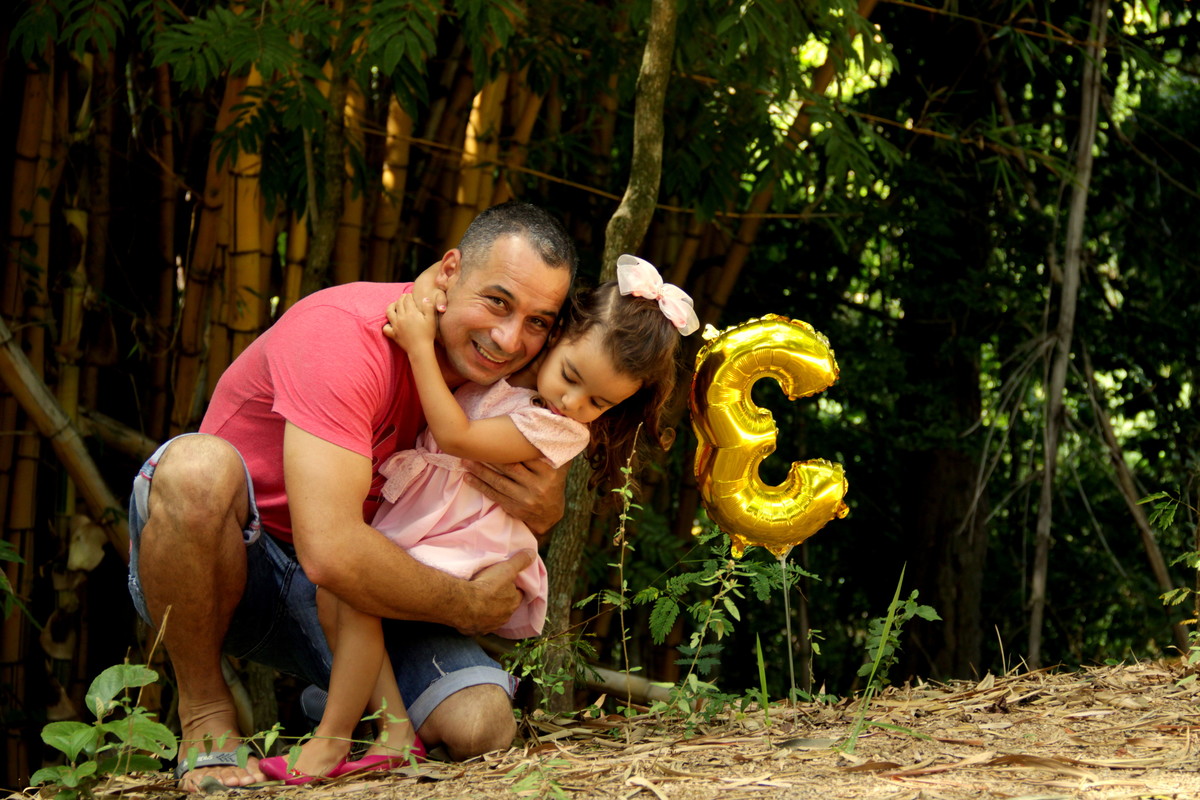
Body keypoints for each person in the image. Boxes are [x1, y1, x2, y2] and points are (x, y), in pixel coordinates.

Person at [126, 202, 577, 792]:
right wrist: (466, 605)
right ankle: (206, 718)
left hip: (365, 594)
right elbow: (331, 551)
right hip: (234, 568)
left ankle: (346, 701)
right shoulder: (344, 333)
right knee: (195, 468)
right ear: (449, 272)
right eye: (497, 301)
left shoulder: (508, 372)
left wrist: (545, 505)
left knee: (481, 725)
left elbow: (530, 479)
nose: (509, 338)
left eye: (538, 321)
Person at [256, 255, 698, 783]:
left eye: (598, 402)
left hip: (468, 539)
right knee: (345, 596)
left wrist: (419, 347)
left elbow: (456, 437)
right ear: (559, 333)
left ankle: (332, 741)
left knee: (353, 593)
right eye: (571, 377)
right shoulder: (508, 364)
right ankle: (393, 733)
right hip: (436, 519)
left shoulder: (556, 428)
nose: (571, 401)